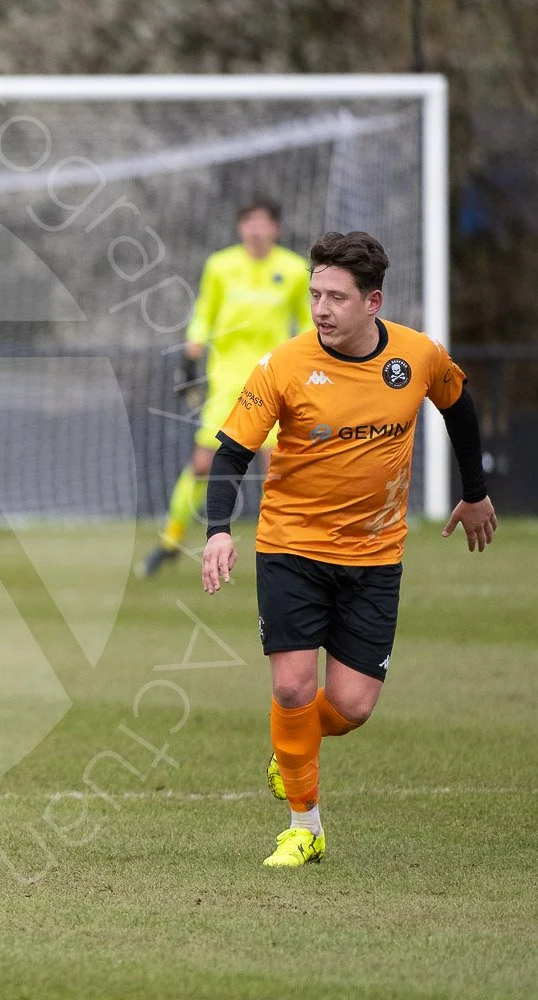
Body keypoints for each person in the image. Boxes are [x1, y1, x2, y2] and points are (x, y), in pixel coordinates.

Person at [200, 231, 497, 868]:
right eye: (314, 294)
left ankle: (291, 746)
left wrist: (474, 493)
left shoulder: (416, 357)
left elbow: (460, 407)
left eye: (336, 296)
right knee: (292, 690)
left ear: (373, 302)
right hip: (291, 548)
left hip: (375, 555)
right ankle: (304, 825)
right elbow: (230, 455)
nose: (322, 308)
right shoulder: (283, 365)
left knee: (352, 708)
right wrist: (218, 531)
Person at [139, 197, 311, 578]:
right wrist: (191, 351)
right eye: (249, 221)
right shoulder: (220, 266)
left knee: (278, 470)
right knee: (203, 465)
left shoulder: (294, 270)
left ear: (276, 228)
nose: (256, 229)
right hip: (228, 383)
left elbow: (307, 322)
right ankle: (170, 541)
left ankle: (289, 554)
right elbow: (204, 313)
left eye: (264, 222)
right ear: (240, 227)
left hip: (275, 380)